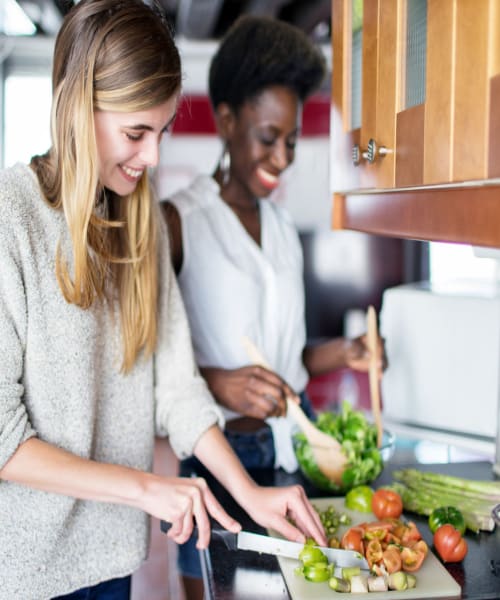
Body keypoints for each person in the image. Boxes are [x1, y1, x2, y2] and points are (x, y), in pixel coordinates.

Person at [0, 2, 327, 599]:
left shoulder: (139, 215)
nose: (152, 158)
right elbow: (3, 438)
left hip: (114, 556)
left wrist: (247, 492)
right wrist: (147, 488)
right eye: (135, 133)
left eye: (161, 131)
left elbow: (176, 386)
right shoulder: (11, 219)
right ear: (77, 109)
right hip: (28, 570)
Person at [161, 14, 386, 598]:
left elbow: (286, 360)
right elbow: (145, 367)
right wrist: (219, 382)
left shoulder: (283, 227)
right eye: (269, 137)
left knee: (293, 590)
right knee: (212, 591)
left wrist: (347, 352)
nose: (283, 158)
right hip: (218, 455)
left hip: (292, 449)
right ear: (228, 120)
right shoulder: (178, 221)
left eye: (290, 140)